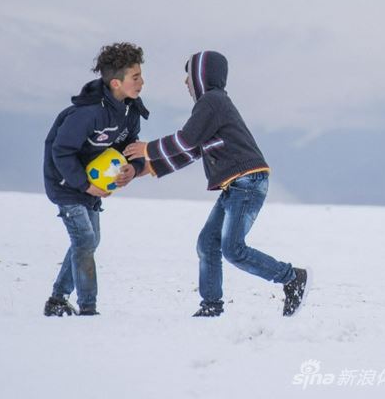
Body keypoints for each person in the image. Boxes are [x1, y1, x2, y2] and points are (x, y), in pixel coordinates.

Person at [123, 50, 309, 318]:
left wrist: (148, 149)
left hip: (246, 182)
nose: (185, 82)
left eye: (188, 75)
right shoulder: (213, 105)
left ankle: (291, 278)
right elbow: (192, 151)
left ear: (202, 76)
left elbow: (186, 140)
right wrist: (147, 168)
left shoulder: (211, 102)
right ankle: (211, 305)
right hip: (238, 184)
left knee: (233, 250)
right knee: (207, 243)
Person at [42, 42, 150, 317]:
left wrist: (132, 169)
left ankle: (57, 299)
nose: (141, 82)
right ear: (116, 82)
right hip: (66, 183)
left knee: (90, 240)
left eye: (141, 75)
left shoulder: (130, 111)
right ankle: (88, 309)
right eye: (135, 77)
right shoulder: (87, 113)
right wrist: (84, 184)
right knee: (86, 240)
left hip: (92, 187)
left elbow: (130, 148)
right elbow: (61, 151)